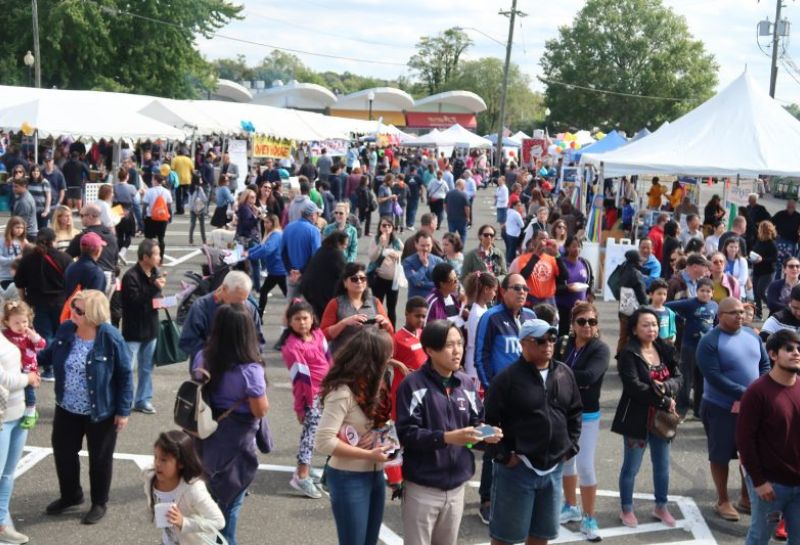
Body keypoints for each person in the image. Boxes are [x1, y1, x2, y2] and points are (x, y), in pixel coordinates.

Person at [396, 320, 502, 545]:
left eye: (460, 343)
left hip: (457, 488)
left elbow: (476, 423)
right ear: (430, 350)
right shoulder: (412, 385)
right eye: (449, 345)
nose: (457, 351)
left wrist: (487, 434)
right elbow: (406, 434)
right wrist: (445, 438)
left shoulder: (465, 383)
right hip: (422, 489)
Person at [484, 319, 582, 545]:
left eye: (551, 339)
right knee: (505, 537)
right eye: (540, 340)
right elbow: (487, 423)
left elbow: (575, 412)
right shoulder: (506, 379)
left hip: (553, 470)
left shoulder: (564, 373)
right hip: (517, 471)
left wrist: (570, 447)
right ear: (523, 344)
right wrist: (504, 456)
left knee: (541, 535)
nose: (547, 345)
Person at [39, 289, 133, 525]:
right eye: (73, 307)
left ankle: (99, 502)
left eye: (79, 310)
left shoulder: (110, 336)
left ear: (93, 313)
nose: (73, 312)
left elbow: (124, 376)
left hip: (100, 411)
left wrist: (123, 411)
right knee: (63, 453)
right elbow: (49, 355)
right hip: (66, 407)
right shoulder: (67, 329)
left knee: (100, 459)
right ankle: (71, 495)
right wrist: (25, 359)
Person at [190, 304, 268, 545]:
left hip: (205, 433)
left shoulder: (203, 357)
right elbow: (259, 409)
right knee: (230, 506)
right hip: (236, 443)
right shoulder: (250, 370)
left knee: (205, 501)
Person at [315, 328, 396, 545]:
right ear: (373, 357)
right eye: (387, 354)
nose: (391, 359)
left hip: (375, 476)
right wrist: (367, 454)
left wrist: (386, 439)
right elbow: (323, 441)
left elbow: (383, 424)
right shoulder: (342, 391)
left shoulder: (379, 385)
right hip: (347, 477)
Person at [695, 297, 770, 522]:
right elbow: (713, 376)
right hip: (720, 407)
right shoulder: (709, 341)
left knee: (750, 453)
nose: (740, 316)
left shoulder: (751, 336)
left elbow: (764, 365)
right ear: (720, 315)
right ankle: (723, 500)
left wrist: (760, 390)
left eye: (742, 311)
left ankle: (746, 498)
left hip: (752, 407)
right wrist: (747, 394)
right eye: (733, 312)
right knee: (720, 455)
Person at [472, 273, 536, 522]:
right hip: (497, 398)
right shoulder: (491, 317)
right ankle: (486, 499)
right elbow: (481, 356)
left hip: (526, 397)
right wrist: (491, 389)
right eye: (517, 288)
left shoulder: (531, 317)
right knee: (492, 446)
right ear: (503, 290)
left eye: (525, 289)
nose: (522, 292)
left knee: (522, 445)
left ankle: (516, 494)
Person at [612, 308, 682, 528]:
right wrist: (664, 400)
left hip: (662, 421)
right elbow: (634, 387)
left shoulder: (665, 347)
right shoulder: (628, 353)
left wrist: (668, 387)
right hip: (637, 419)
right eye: (645, 325)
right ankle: (627, 509)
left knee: (662, 465)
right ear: (634, 329)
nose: (651, 329)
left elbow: (679, 378)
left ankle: (661, 506)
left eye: (653, 324)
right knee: (631, 467)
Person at [736, 329, 800, 544]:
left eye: (799, 349)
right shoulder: (757, 392)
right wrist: (759, 481)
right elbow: (745, 441)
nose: (796, 353)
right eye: (789, 349)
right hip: (771, 485)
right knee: (759, 538)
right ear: (773, 355)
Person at [553, 303, 609, 541]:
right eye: (582, 321)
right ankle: (570, 506)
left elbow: (589, 377)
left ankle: (589, 517)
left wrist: (557, 370)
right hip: (563, 412)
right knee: (567, 460)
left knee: (585, 466)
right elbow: (577, 376)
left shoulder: (600, 349)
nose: (588, 326)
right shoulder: (564, 343)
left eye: (592, 322)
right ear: (573, 324)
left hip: (587, 415)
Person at [280, 300, 331, 500]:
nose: (302, 323)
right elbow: (299, 381)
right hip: (312, 398)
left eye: (305, 318)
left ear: (312, 319)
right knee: (309, 438)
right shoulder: (292, 348)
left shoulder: (319, 335)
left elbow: (330, 360)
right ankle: (301, 475)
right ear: (290, 323)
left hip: (329, 391)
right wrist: (301, 408)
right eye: (297, 319)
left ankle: (321, 473)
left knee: (331, 432)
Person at [143, 430, 225, 545]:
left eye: (164, 460)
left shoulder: (193, 489)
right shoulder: (149, 476)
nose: (157, 463)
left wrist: (183, 522)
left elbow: (219, 521)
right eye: (156, 457)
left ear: (181, 463)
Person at [0, 313, 41, 544]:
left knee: (7, 474)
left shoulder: (9, 335)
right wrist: (29, 379)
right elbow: (3, 377)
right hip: (2, 417)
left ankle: (2, 525)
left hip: (18, 412)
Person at [120, 239, 165, 416]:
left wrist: (163, 300)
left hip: (151, 327)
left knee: (147, 367)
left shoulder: (155, 272)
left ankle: (143, 400)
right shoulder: (131, 276)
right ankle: (125, 400)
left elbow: (155, 298)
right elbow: (134, 302)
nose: (159, 258)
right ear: (145, 256)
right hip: (134, 329)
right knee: (128, 368)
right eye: (156, 254)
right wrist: (154, 289)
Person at [178, 271, 264, 360]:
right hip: (209, 366)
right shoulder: (201, 307)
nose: (242, 304)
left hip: (241, 366)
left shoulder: (249, 307)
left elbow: (259, 340)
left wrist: (251, 355)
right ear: (225, 289)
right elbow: (188, 340)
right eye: (238, 299)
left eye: (244, 299)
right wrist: (211, 354)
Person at [666, 278, 718, 419]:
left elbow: (717, 324)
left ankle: (698, 410)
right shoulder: (690, 303)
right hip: (689, 346)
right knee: (686, 378)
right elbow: (668, 306)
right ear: (696, 291)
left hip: (706, 348)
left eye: (708, 291)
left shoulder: (714, 306)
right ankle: (681, 410)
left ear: (712, 293)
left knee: (701, 379)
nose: (705, 294)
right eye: (702, 291)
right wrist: (677, 319)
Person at [320, 262, 394, 355]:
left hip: (370, 357)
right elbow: (323, 335)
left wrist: (386, 323)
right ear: (345, 283)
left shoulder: (375, 302)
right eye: (354, 279)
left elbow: (390, 332)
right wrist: (344, 323)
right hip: (343, 358)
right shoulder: (335, 303)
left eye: (362, 279)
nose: (359, 281)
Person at [2, 299, 45, 431]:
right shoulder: (5, 335)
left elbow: (42, 345)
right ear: (7, 322)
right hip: (12, 368)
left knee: (28, 390)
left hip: (28, 369)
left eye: (24, 322)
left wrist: (33, 335)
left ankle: (31, 411)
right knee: (12, 389)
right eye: (17, 323)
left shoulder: (29, 335)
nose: (22, 326)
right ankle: (14, 409)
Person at [390, 297, 428, 419]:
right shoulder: (397, 338)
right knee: (402, 421)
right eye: (417, 316)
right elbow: (383, 358)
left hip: (422, 385)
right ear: (406, 314)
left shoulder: (422, 333)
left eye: (423, 316)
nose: (421, 320)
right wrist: (399, 364)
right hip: (404, 387)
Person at [300, 231, 349, 320]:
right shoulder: (336, 254)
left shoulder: (323, 249)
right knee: (326, 318)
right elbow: (345, 273)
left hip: (310, 289)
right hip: (321, 292)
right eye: (345, 244)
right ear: (338, 243)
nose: (346, 247)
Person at [246, 214, 287, 319]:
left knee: (289, 296)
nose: (265, 225)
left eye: (268, 222)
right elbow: (262, 247)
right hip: (275, 270)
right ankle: (259, 316)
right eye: (264, 222)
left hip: (279, 271)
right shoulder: (271, 234)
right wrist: (248, 252)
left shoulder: (276, 235)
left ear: (273, 223)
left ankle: (299, 312)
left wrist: (250, 255)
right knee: (264, 291)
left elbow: (267, 249)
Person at [463, 272, 499, 387]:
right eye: (494, 290)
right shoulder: (478, 314)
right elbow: (480, 343)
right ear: (486, 289)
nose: (494, 294)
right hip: (475, 369)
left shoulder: (482, 310)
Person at [281, 201, 322, 300]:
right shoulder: (314, 230)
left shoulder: (288, 227)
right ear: (312, 215)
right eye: (317, 214)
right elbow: (316, 257)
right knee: (307, 310)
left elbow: (283, 252)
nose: (317, 217)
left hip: (291, 275)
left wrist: (290, 270)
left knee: (291, 309)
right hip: (308, 277)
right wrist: (301, 272)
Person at [367, 216, 404, 327]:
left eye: (389, 225)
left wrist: (398, 255)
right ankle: (376, 331)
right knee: (377, 307)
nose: (386, 228)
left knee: (391, 308)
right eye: (384, 225)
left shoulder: (397, 242)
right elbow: (372, 257)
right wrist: (380, 246)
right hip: (378, 279)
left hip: (393, 281)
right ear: (380, 227)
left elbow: (403, 253)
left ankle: (391, 331)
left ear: (392, 228)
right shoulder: (375, 239)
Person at [555, 236, 593, 336]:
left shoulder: (585, 263)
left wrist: (589, 295)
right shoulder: (561, 264)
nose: (577, 249)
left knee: (580, 335)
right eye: (574, 246)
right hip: (564, 308)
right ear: (567, 248)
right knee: (563, 335)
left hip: (580, 308)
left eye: (579, 246)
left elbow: (590, 280)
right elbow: (555, 288)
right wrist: (567, 288)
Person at [403, 232, 444, 299]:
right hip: (416, 303)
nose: (425, 248)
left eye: (428, 245)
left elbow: (442, 284)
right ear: (416, 245)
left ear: (432, 245)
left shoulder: (438, 261)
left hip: (434, 301)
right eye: (422, 245)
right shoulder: (408, 262)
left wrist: (421, 283)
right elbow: (415, 281)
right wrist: (425, 266)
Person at [142, 173, 173, 259]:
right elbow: (169, 205)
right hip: (163, 218)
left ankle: (149, 256)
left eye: (152, 179)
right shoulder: (166, 191)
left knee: (148, 239)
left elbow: (145, 204)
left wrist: (142, 215)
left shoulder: (149, 191)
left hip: (150, 217)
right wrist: (169, 216)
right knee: (161, 238)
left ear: (155, 180)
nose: (151, 181)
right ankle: (161, 258)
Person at [751, 220, 778, 319]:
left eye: (760, 229)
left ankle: (774, 308)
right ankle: (758, 313)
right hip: (757, 270)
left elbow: (774, 259)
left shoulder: (772, 244)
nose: (759, 231)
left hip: (768, 271)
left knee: (761, 291)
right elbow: (754, 251)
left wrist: (762, 260)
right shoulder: (759, 241)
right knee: (755, 292)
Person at [771, 199, 800, 271]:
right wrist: (774, 233)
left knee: (789, 263)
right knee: (778, 262)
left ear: (795, 207)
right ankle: (777, 280)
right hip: (780, 241)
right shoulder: (780, 214)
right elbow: (770, 223)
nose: (790, 207)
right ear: (786, 206)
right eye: (789, 206)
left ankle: (786, 280)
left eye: (792, 206)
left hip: (792, 242)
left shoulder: (798, 216)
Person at [0, 218, 27, 290]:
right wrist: (14, 259)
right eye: (17, 227)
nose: (20, 230)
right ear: (10, 227)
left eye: (22, 228)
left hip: (21, 275)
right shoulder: (2, 241)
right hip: (7, 276)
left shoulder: (24, 241)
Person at [27, 164, 52, 230]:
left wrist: (46, 210)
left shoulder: (44, 182)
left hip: (41, 212)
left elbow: (48, 197)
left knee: (42, 232)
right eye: (34, 171)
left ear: (40, 172)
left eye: (37, 171)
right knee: (32, 231)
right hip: (31, 212)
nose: (35, 173)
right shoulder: (28, 181)